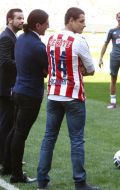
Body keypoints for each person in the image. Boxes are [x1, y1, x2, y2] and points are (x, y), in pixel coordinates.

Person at [37, 7, 100, 190]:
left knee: (48, 138)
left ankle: (42, 181)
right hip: (73, 95)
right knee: (77, 140)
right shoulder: (79, 40)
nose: (84, 24)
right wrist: (79, 71)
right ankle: (80, 182)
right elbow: (91, 69)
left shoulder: (51, 38)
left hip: (54, 94)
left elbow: (50, 66)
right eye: (81, 21)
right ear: (70, 20)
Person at [9, 9, 49, 183]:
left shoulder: (21, 38)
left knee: (15, 131)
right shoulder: (38, 45)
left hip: (17, 90)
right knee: (20, 134)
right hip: (30, 94)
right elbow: (47, 70)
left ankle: (9, 166)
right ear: (38, 25)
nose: (48, 26)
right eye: (46, 23)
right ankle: (16, 174)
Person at [0, 8, 24, 170]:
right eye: (19, 18)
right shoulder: (6, 37)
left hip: (9, 87)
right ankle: (4, 159)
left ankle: (6, 158)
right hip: (5, 88)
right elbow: (5, 62)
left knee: (8, 124)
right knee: (5, 124)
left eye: (23, 18)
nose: (22, 21)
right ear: (10, 20)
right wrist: (24, 64)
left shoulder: (11, 36)